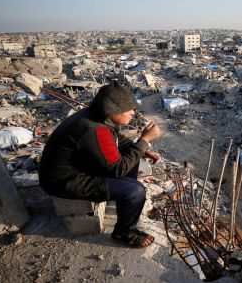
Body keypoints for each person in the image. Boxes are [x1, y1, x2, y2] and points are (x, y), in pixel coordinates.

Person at [39, 82, 162, 248]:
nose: (133, 113)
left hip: (75, 167)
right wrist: (144, 140)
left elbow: (116, 139)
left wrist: (141, 149)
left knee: (132, 159)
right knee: (136, 191)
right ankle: (124, 232)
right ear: (113, 111)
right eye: (128, 109)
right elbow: (118, 169)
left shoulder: (96, 116)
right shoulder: (94, 129)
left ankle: (121, 197)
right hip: (63, 181)